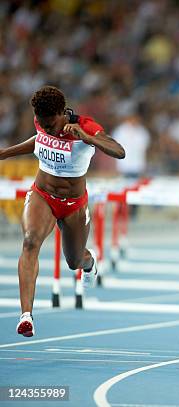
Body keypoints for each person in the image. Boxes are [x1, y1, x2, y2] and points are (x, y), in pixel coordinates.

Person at [0, 86, 125, 337]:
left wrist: (88, 138)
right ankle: (26, 316)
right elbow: (39, 141)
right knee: (29, 242)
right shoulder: (42, 121)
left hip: (73, 205)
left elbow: (119, 151)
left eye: (51, 124)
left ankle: (89, 264)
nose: (47, 128)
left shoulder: (85, 126)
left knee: (74, 261)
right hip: (42, 195)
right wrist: (5, 153)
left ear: (61, 113)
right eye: (42, 124)